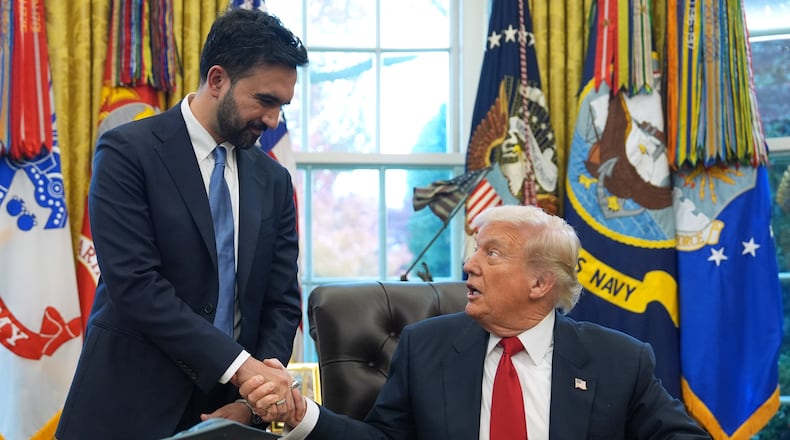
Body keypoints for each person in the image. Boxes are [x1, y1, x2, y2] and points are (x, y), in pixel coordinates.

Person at [241, 205, 711, 439]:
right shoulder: (425, 347)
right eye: (475, 250)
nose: (469, 264)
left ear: (541, 283)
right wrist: (301, 414)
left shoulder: (618, 361)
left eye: (492, 253)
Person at [57, 8, 308, 440]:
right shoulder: (126, 152)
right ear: (217, 80)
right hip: (125, 410)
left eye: (282, 106)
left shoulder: (274, 179)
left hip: (230, 415)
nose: (273, 121)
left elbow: (282, 301)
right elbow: (135, 284)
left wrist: (251, 399)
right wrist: (242, 367)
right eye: (265, 101)